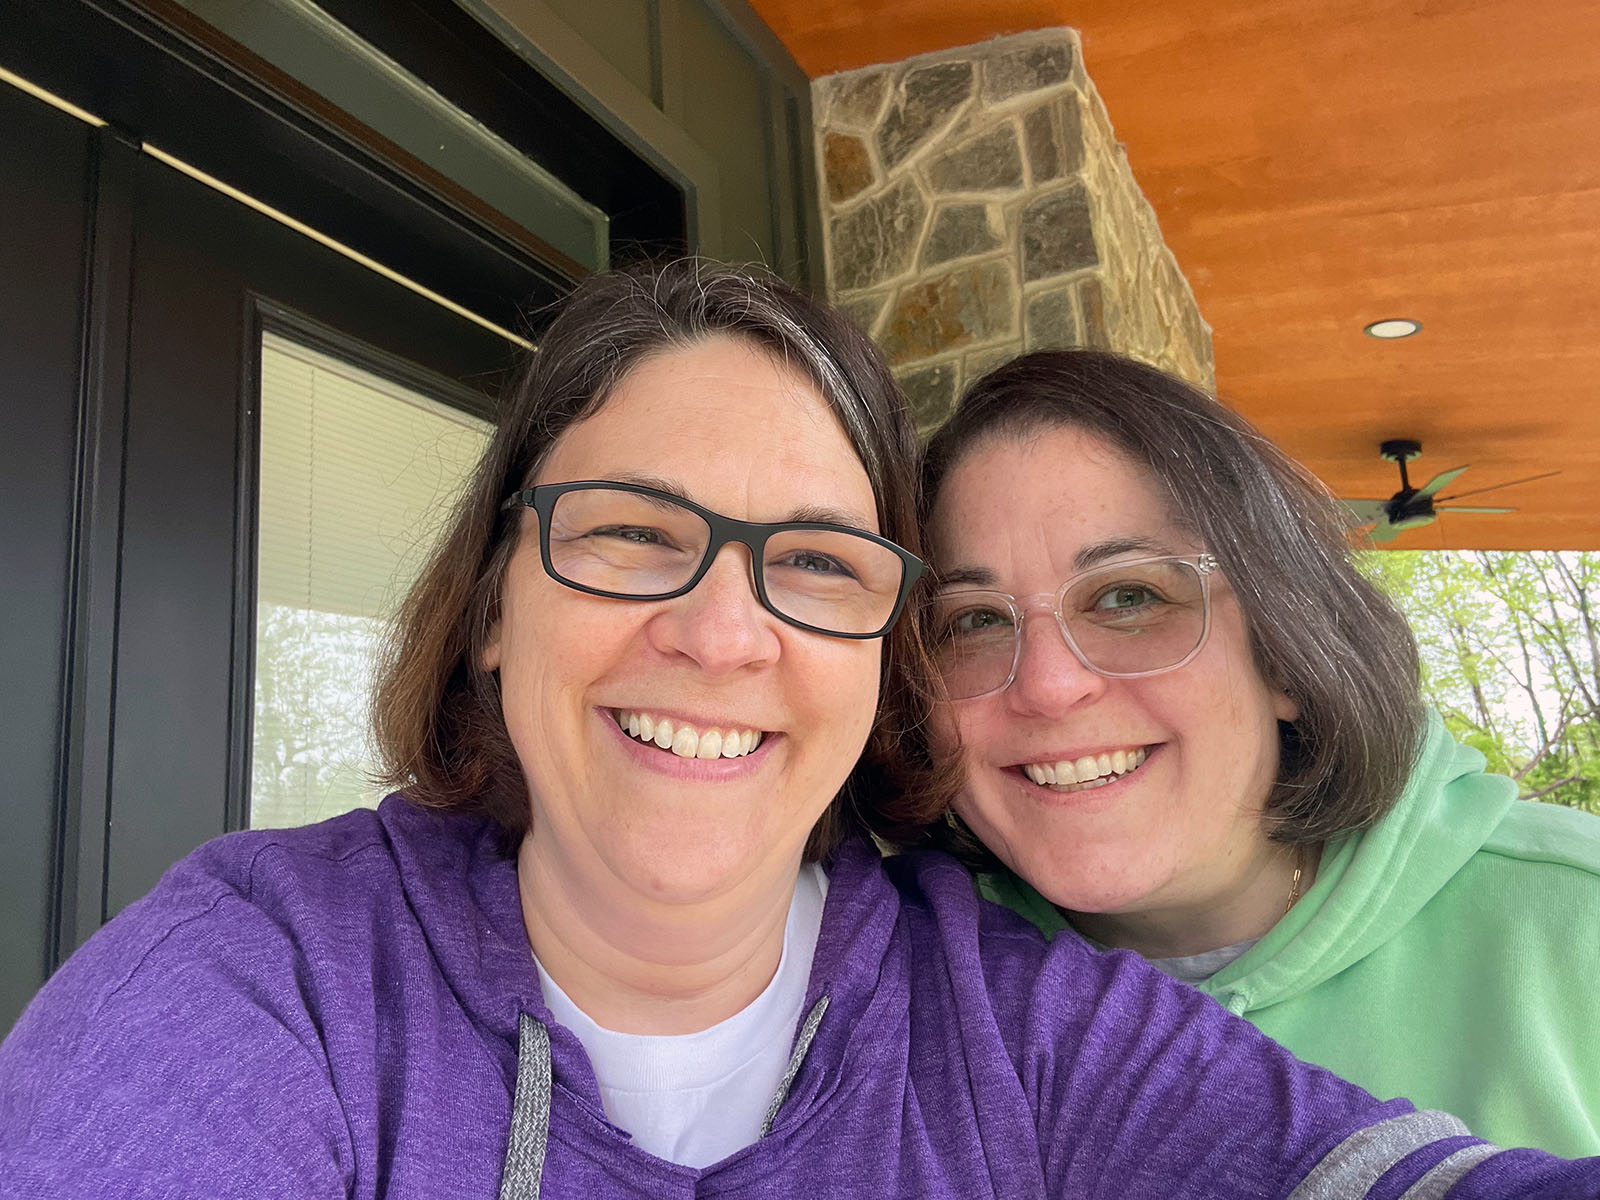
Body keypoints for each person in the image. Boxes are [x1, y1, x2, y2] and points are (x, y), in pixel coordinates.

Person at [2, 265, 1597, 1199]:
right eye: (630, 531)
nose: (720, 630)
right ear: (495, 606)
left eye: (818, 562)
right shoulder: (272, 967)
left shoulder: (1013, 1012)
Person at [913, 347, 1600, 1158]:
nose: (1050, 686)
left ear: (1284, 654)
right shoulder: (902, 990)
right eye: (974, 621)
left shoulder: (1574, 928)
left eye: (1129, 597)